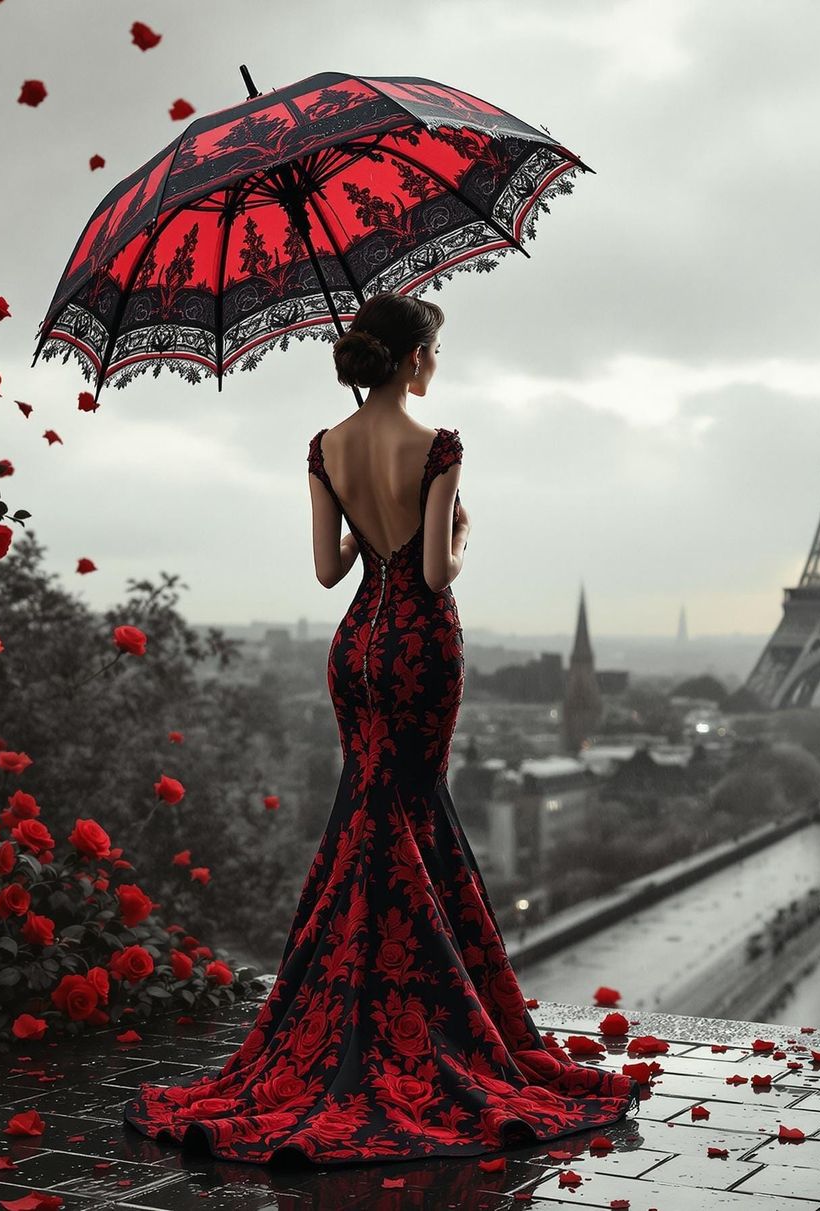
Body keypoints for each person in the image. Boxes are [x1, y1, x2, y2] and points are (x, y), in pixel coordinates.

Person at [121, 293, 641, 1164]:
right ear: (411, 358)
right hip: (420, 643)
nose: (437, 363)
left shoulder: (325, 447)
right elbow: (436, 574)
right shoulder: (438, 446)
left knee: (368, 805)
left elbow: (330, 570)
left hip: (355, 643)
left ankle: (347, 998)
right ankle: (420, 1001)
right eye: (434, 349)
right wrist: (462, 531)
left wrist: (373, 527)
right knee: (415, 806)